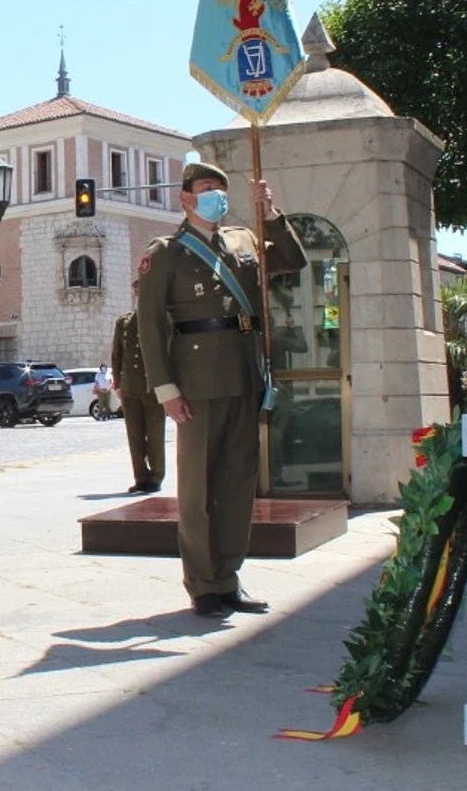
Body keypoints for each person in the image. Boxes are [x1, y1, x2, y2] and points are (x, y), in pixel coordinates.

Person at [137, 161, 305, 620]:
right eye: (206, 189)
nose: (216, 197)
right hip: (196, 383)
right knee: (198, 488)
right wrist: (166, 388)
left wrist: (269, 213)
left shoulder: (244, 241)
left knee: (237, 483)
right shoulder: (167, 252)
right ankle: (202, 584)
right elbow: (150, 328)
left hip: (244, 374)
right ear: (186, 198)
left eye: (220, 190)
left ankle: (228, 578)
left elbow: (293, 259)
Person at [111, 283, 164, 494]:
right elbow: (117, 355)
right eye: (137, 293)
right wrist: (118, 384)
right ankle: (140, 477)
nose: (139, 297)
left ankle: (156, 476)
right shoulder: (124, 322)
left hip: (153, 386)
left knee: (155, 433)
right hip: (130, 386)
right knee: (134, 434)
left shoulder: (160, 319)